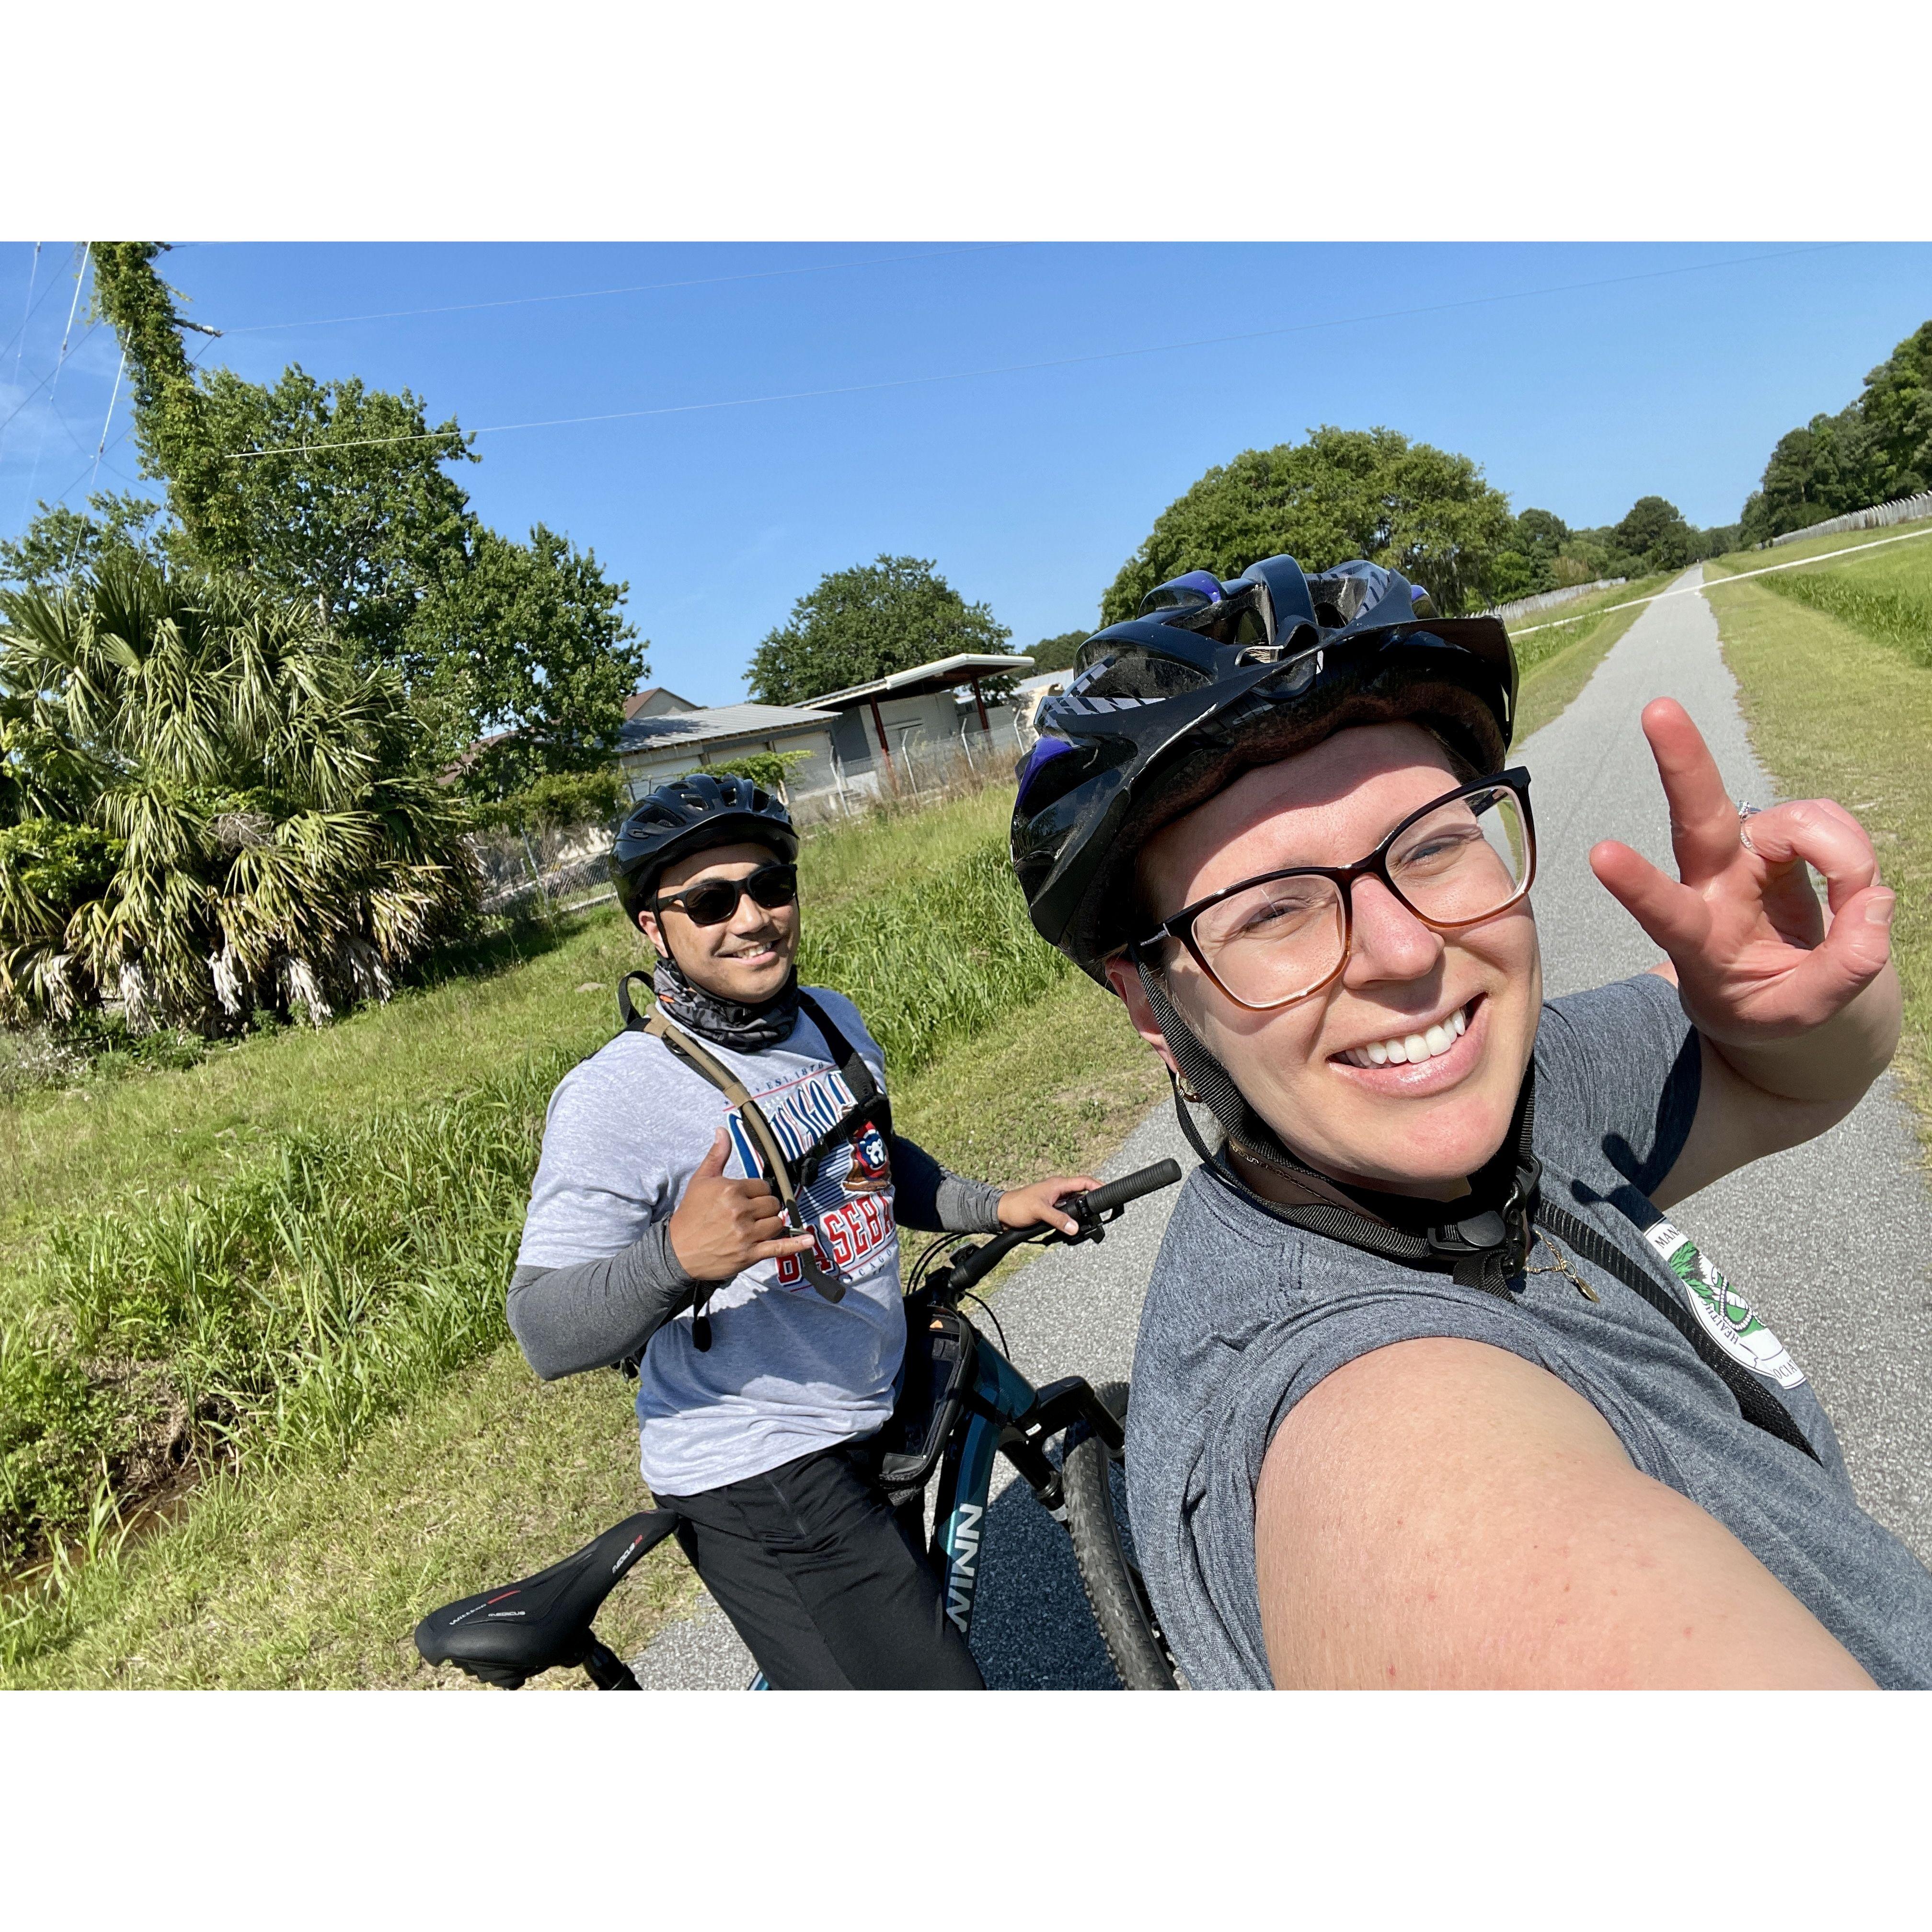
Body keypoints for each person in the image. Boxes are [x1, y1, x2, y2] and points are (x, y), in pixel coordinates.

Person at [1012, 552, 1932, 1689]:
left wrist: (1793, 1010)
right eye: (1274, 911)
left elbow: (1785, 1080)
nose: (1407, 954)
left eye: (1436, 843)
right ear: (1155, 1004)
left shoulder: (1508, 1097)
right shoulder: (1364, 1415)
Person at [507, 772, 1094, 1690]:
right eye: (710, 900)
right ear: (652, 928)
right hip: (759, 1462)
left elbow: (871, 1160)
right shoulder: (614, 1096)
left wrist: (993, 1203)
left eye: (770, 886)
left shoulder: (828, 1019)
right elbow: (542, 1330)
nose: (751, 918)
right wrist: (676, 1258)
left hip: (864, 1404)